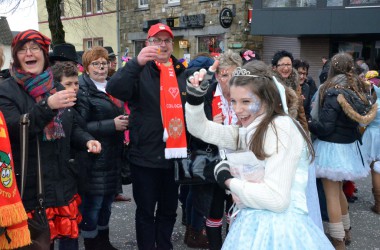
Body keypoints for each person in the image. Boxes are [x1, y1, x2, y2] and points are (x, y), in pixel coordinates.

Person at [185, 60, 333, 250]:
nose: (238, 110)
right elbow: (201, 129)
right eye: (233, 101)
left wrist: (228, 180)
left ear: (267, 98)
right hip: (254, 225)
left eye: (246, 101)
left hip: (281, 232)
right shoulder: (254, 128)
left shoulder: (281, 128)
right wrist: (195, 100)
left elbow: (277, 199)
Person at [0, 29, 101, 250]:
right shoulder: (5, 90)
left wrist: (86, 140)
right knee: (34, 244)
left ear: (44, 54)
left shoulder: (54, 87)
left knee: (54, 242)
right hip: (28, 188)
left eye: (35, 48)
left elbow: (71, 125)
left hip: (59, 184)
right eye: (23, 50)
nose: (29, 53)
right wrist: (48, 106)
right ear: (15, 57)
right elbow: (16, 130)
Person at [106, 23, 187, 249]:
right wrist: (136, 63)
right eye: (157, 40)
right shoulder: (139, 70)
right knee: (145, 212)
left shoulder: (182, 71)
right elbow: (114, 88)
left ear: (172, 44)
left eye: (167, 40)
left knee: (169, 211)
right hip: (145, 157)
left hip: (174, 155)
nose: (162, 44)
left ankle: (164, 246)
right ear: (147, 44)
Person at [309, 52, 377, 248]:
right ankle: (346, 233)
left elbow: (326, 127)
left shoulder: (332, 91)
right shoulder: (359, 89)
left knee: (331, 195)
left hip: (331, 148)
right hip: (349, 147)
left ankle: (337, 241)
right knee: (339, 193)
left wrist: (309, 123)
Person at [75, 46, 126, 250]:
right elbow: (79, 127)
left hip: (112, 156)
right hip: (93, 157)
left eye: (104, 63)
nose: (100, 67)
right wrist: (111, 125)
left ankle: (104, 242)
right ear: (86, 68)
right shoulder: (82, 90)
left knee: (106, 204)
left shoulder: (112, 87)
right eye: (95, 63)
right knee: (93, 206)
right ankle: (91, 243)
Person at [271, 50, 309, 132]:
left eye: (289, 65)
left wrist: (305, 131)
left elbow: (301, 112)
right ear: (274, 67)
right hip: (275, 128)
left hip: (292, 129)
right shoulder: (270, 84)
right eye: (283, 65)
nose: (286, 68)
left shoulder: (295, 84)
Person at [360, 70, 380, 214]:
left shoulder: (374, 105)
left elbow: (363, 123)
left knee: (376, 169)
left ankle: (378, 204)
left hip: (373, 135)